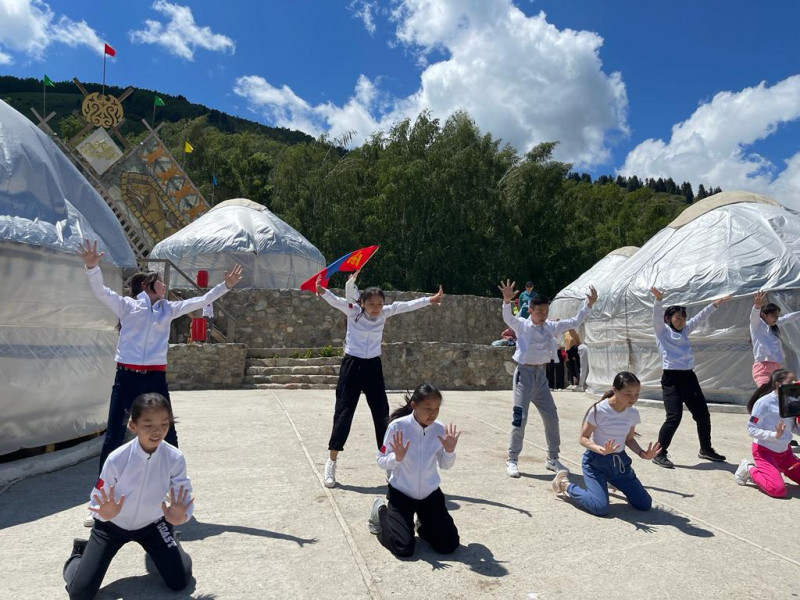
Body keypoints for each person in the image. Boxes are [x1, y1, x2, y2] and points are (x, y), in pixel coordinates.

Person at [79, 239, 243, 477]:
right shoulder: (127, 306)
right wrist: (92, 267)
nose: (165, 285)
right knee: (114, 433)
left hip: (155, 378)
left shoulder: (168, 309)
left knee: (169, 432)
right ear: (146, 286)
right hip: (126, 378)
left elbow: (201, 301)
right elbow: (100, 292)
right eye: (160, 282)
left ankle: (175, 482)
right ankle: (103, 488)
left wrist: (225, 286)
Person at [316, 273, 444, 488]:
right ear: (363, 303)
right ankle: (332, 461)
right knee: (344, 413)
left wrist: (429, 300)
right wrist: (322, 291)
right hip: (352, 367)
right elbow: (335, 300)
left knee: (381, 414)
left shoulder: (385, 313)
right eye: (371, 304)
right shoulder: (353, 311)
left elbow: (406, 305)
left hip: (373, 367)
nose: (376, 308)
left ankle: (389, 464)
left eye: (379, 304)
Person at [63, 393, 194, 600]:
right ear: (133, 425)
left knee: (180, 580)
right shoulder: (117, 459)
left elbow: (183, 498)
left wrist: (181, 516)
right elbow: (97, 498)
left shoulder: (174, 457)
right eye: (148, 425)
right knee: (80, 594)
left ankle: (172, 543)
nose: (157, 431)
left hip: (153, 524)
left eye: (164, 424)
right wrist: (104, 514)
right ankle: (79, 554)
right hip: (111, 527)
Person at [498, 280, 598, 478]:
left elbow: (574, 322)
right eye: (539, 311)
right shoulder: (522, 325)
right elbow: (508, 318)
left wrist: (588, 305)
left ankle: (553, 458)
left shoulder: (551, 327)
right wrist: (507, 301)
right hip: (524, 376)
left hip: (541, 377)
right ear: (531, 310)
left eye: (546, 311)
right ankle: (512, 459)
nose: (543, 315)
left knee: (552, 417)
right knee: (520, 419)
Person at [368, 383, 460, 557]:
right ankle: (380, 511)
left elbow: (445, 465)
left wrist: (449, 451)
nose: (432, 414)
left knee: (449, 544)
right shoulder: (397, 427)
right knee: (403, 548)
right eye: (427, 408)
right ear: (414, 405)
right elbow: (380, 460)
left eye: (436, 409)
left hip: (430, 495)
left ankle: (423, 525)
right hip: (402, 494)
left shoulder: (440, 429)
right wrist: (397, 458)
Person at [552, 372, 661, 516]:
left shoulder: (632, 412)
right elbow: (583, 438)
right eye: (628, 394)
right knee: (600, 508)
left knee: (644, 504)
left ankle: (613, 481)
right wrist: (600, 449)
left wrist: (643, 453)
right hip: (595, 463)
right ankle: (564, 485)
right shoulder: (598, 410)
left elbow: (629, 439)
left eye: (636, 394)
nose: (633, 398)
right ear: (615, 390)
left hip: (619, 464)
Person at [650, 287, 731, 468]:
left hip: (689, 377)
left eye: (683, 318)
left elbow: (701, 316)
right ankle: (659, 453)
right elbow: (656, 316)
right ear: (668, 319)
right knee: (674, 417)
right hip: (671, 379)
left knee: (702, 414)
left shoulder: (686, 330)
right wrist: (659, 300)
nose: (681, 321)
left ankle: (706, 449)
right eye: (677, 318)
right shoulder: (662, 332)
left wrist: (716, 304)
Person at [734, 369, 800, 497]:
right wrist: (774, 435)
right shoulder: (763, 403)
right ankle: (748, 468)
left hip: (785, 453)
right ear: (778, 384)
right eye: (791, 381)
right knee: (778, 490)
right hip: (765, 452)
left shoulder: (793, 400)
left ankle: (776, 470)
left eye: (795, 380)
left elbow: (792, 427)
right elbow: (751, 429)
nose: (795, 383)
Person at [750, 291, 800, 386]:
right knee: (765, 390)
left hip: (776, 366)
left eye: (777, 315)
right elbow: (754, 316)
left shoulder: (775, 324)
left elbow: (788, 317)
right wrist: (757, 306)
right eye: (773, 315)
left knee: (779, 390)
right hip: (763, 366)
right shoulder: (757, 325)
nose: (776, 318)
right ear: (764, 315)